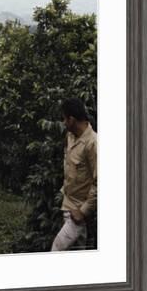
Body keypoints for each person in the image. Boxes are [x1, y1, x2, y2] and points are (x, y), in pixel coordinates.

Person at [51, 98, 97, 252]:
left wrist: (83, 211)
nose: (63, 122)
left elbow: (100, 182)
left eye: (64, 118)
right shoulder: (71, 136)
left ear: (71, 120)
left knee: (56, 249)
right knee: (78, 253)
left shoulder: (93, 143)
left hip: (78, 212)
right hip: (68, 205)